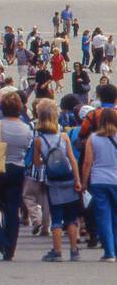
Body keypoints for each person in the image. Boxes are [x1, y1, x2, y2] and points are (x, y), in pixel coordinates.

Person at [0, 91, 33, 262]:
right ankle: (10, 248)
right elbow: (27, 148)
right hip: (17, 168)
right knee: (12, 209)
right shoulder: (27, 128)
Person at [33, 99, 82, 262]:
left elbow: (36, 162)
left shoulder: (39, 140)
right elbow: (72, 159)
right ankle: (74, 250)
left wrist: (46, 160)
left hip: (52, 180)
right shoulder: (63, 137)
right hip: (68, 177)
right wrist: (77, 179)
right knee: (72, 216)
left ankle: (57, 250)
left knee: (57, 215)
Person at [81, 107, 117, 262]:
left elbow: (87, 162)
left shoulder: (93, 138)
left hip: (98, 180)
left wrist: (83, 182)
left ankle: (109, 252)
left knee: (103, 216)